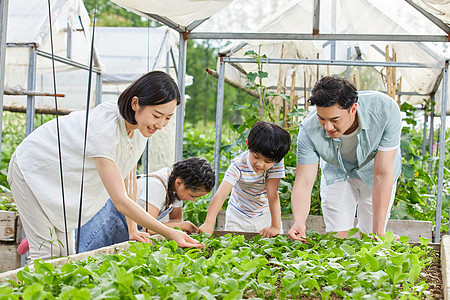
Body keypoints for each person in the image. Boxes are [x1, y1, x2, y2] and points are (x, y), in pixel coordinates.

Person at [8, 71, 204, 262]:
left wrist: (133, 228)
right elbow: (120, 201)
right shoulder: (106, 127)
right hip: (32, 169)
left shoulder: (139, 132)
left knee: (65, 257)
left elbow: (129, 182)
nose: (161, 125)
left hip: (61, 182)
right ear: (136, 103)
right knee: (46, 254)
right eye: (156, 115)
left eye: (168, 118)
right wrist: (170, 232)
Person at [288, 75, 402, 242]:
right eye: (321, 118)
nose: (328, 127)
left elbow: (382, 173)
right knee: (338, 237)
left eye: (335, 120)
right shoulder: (308, 129)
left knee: (372, 235)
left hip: (374, 171)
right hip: (338, 171)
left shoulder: (385, 110)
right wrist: (299, 222)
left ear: (353, 109)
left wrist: (379, 231)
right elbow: (304, 182)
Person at [76, 157, 215, 252]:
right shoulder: (156, 186)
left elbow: (176, 220)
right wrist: (179, 227)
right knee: (82, 253)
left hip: (125, 227)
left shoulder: (177, 191)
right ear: (179, 183)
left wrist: (179, 225)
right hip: (107, 221)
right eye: (193, 196)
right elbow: (148, 228)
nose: (193, 200)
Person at [199, 121, 291, 238]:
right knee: (235, 250)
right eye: (256, 157)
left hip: (265, 215)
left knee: (270, 249)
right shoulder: (238, 165)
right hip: (238, 216)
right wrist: (209, 223)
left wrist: (275, 226)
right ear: (248, 144)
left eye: (267, 162)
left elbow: (272, 193)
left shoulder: (276, 162)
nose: (260, 164)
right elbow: (221, 194)